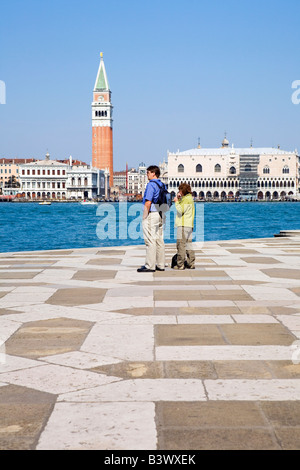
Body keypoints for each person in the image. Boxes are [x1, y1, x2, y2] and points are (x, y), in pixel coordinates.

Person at [137, 165, 165, 273]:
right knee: (159, 240)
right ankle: (161, 264)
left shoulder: (151, 185)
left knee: (150, 239)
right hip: (161, 214)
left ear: (154, 173)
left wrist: (144, 217)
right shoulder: (162, 185)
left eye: (148, 173)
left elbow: (148, 202)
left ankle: (150, 265)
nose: (147, 174)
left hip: (152, 214)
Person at [173, 183, 195, 270]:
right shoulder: (189, 198)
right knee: (189, 245)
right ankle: (191, 263)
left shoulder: (186, 200)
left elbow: (181, 210)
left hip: (183, 225)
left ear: (182, 191)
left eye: (179, 190)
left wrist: (176, 202)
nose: (178, 192)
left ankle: (180, 264)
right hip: (189, 225)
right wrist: (179, 199)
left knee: (181, 245)